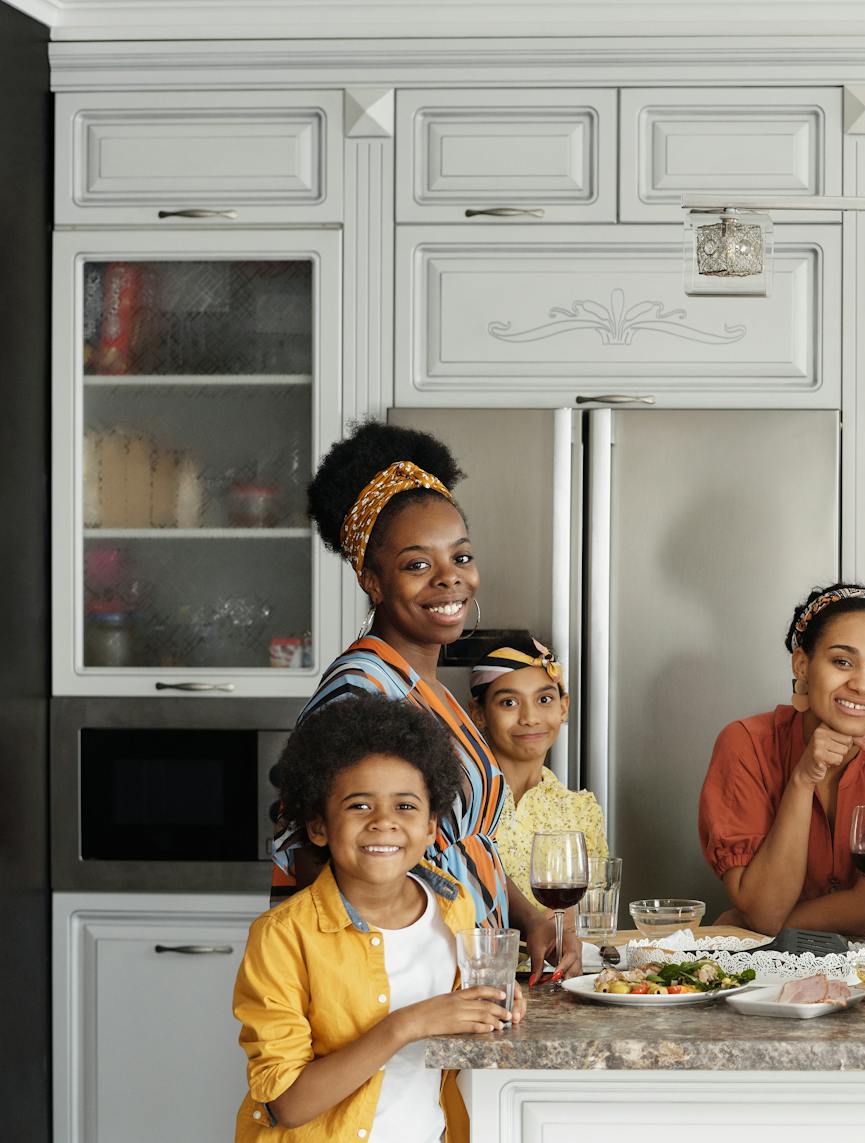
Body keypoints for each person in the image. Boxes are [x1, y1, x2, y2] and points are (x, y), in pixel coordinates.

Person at [273, 421, 576, 979]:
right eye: (417, 565)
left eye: (460, 557)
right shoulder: (362, 691)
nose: (450, 579)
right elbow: (320, 853)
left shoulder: (427, 687)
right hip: (406, 984)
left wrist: (525, 914)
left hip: (467, 973)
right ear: (373, 581)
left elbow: (458, 839)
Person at [233, 696, 524, 1143]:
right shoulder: (282, 937)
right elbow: (288, 1104)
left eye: (405, 806)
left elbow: (456, 1011)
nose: (384, 823)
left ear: (431, 826)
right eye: (359, 806)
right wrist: (406, 1025)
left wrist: (491, 1000)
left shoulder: (455, 904)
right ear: (319, 827)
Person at [698, 584, 865, 937]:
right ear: (802, 664)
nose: (861, 685)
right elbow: (765, 909)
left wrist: (746, 925)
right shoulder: (745, 744)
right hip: (774, 976)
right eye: (842, 661)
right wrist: (802, 779)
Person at [468, 638, 609, 922]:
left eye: (544, 699)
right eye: (509, 702)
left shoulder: (581, 811)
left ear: (563, 707)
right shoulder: (463, 802)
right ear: (479, 713)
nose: (530, 718)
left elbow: (590, 916)